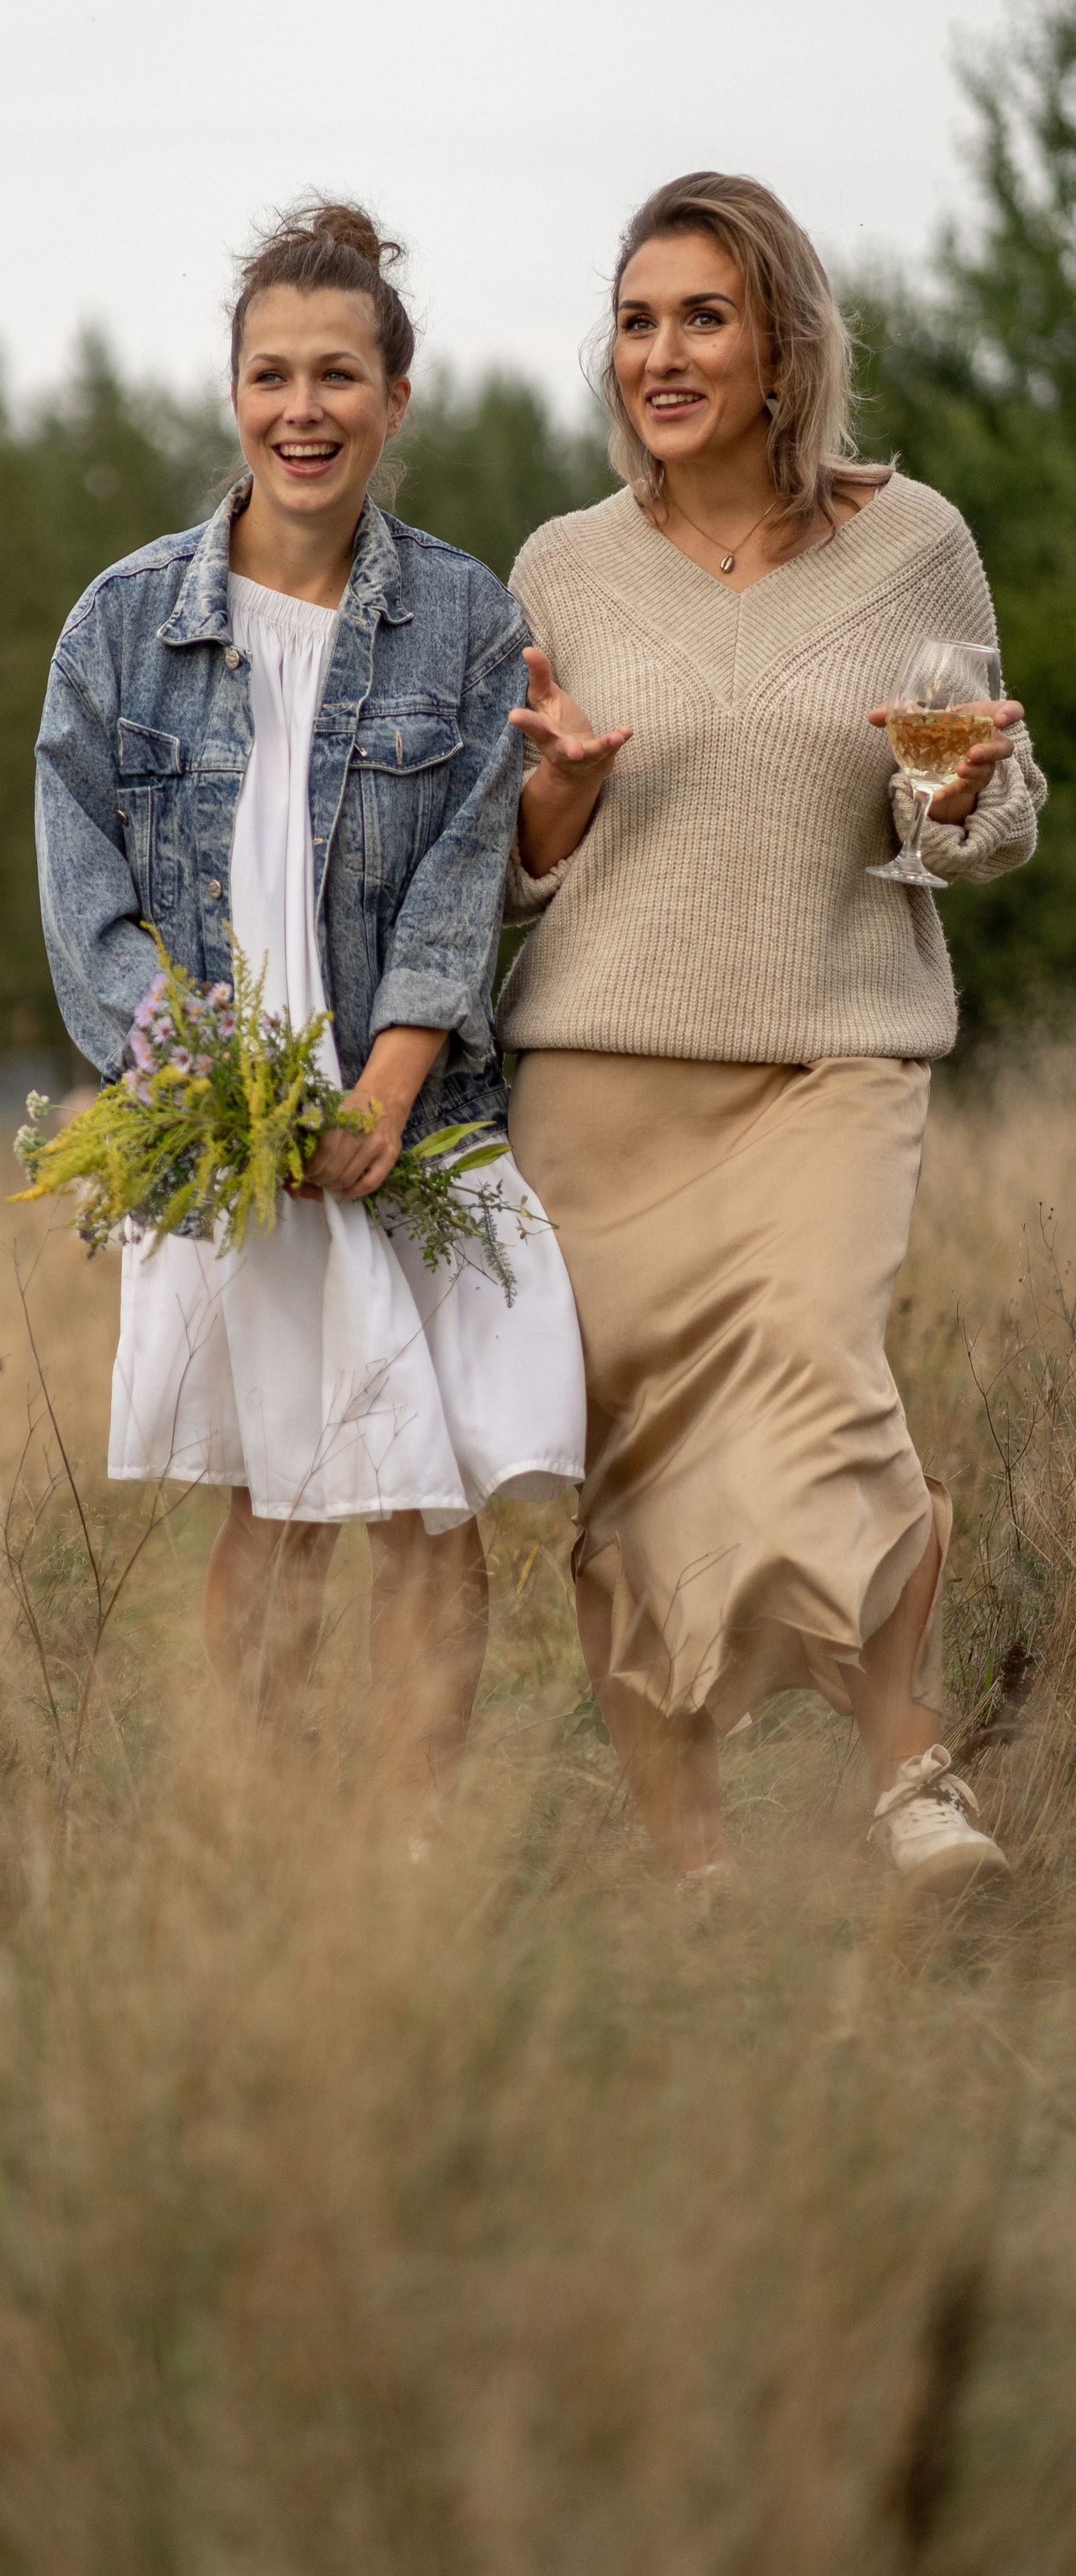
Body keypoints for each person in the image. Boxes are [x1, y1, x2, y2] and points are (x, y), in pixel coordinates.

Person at [498, 171, 1046, 1894]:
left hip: (834, 1046)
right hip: (597, 1082)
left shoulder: (912, 542)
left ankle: (909, 1786)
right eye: (637, 319)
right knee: (633, 1467)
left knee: (821, 1378)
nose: (661, 354)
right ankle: (693, 1873)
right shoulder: (560, 566)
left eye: (702, 317)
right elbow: (505, 872)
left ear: (781, 344)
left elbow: (988, 815)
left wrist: (957, 783)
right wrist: (550, 807)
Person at [36, 201, 587, 1819]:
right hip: (227, 1139)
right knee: (271, 1502)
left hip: (405, 1120)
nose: (302, 408)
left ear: (392, 400)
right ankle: (277, 1843)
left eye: (337, 375)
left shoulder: (466, 618)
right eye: (269, 373)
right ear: (229, 392)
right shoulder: (120, 624)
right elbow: (86, 903)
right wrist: (213, 1094)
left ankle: (410, 1845)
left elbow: (460, 874)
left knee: (428, 1504)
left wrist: (383, 1088)